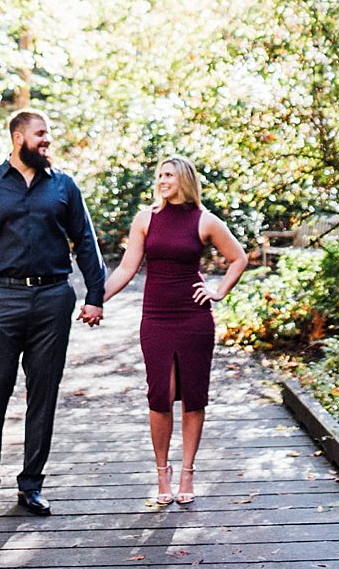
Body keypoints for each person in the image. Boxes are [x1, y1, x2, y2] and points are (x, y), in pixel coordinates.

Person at [0, 109, 106, 520]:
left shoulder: (64, 187)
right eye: (40, 135)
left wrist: (95, 295)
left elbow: (86, 242)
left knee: (44, 395)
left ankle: (31, 485)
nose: (46, 142)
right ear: (18, 137)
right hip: (1, 301)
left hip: (53, 300)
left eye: (48, 136)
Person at [100, 154, 248, 506]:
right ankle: (161, 473)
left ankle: (187, 473)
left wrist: (218, 291)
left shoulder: (205, 220)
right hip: (155, 318)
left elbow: (238, 257)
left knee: (194, 397)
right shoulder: (146, 219)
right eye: (160, 175)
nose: (162, 180)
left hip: (194, 319)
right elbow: (126, 269)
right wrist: (97, 299)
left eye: (169, 175)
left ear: (184, 179)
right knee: (160, 395)